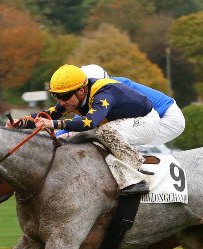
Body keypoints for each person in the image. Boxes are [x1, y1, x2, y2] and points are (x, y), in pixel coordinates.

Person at [10, 64, 160, 195]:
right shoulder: (72, 98)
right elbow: (47, 114)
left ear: (81, 91)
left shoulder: (103, 94)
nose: (62, 102)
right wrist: (20, 122)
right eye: (57, 96)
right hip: (123, 122)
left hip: (146, 121)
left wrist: (53, 124)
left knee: (104, 132)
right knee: (71, 138)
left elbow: (90, 122)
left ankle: (137, 178)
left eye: (65, 96)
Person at [79, 64, 185, 147]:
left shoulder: (112, 90)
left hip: (168, 118)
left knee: (109, 138)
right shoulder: (106, 88)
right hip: (160, 115)